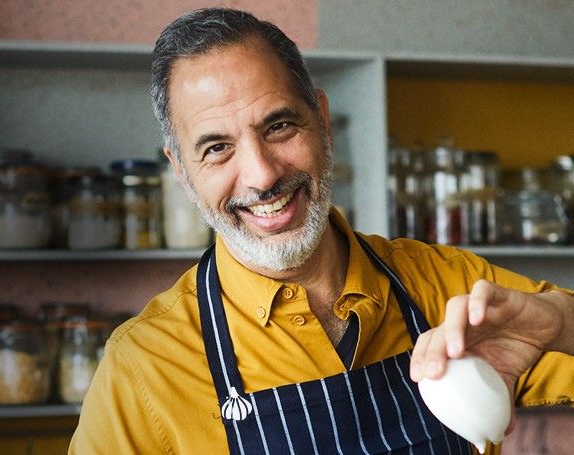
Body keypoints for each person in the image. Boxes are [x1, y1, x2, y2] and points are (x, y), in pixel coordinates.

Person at [69, 8, 573, 454]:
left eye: (279, 127)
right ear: (181, 171)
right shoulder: (143, 367)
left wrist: (558, 322)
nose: (263, 176)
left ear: (323, 121)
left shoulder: (447, 285)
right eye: (216, 148)